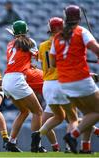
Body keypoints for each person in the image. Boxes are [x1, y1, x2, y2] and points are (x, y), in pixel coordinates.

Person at [0, 20, 43, 152]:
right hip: (18, 79)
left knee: (24, 111)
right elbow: (41, 59)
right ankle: (36, 145)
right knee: (38, 112)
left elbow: (19, 59)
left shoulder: (10, 44)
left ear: (14, 33)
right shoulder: (30, 42)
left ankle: (11, 142)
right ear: (26, 31)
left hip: (7, 79)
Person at [50, 5, 99, 153]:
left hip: (65, 83)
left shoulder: (57, 37)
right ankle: (73, 135)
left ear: (65, 18)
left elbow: (53, 63)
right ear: (78, 18)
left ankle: (85, 148)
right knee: (97, 111)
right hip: (81, 79)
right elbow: (95, 48)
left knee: (89, 114)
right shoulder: (81, 32)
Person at [38, 17, 78, 152]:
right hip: (62, 82)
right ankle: (68, 147)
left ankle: (41, 139)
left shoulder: (42, 45)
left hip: (48, 86)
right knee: (72, 118)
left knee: (50, 120)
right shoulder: (64, 43)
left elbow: (42, 62)